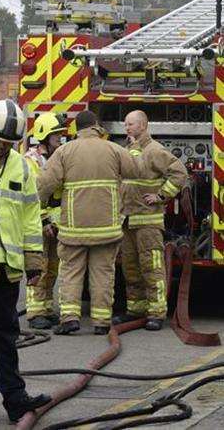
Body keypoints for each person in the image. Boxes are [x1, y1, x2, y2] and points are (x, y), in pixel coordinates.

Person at [0, 100, 52, 424]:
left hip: (7, 269)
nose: (2, 148)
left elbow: (31, 214)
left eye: (8, 143)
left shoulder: (21, 166)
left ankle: (15, 399)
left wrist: (33, 259)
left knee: (6, 338)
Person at [37, 110, 139, 335]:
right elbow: (135, 170)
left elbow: (44, 184)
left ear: (77, 129)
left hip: (74, 228)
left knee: (71, 272)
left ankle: (70, 319)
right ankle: (102, 322)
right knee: (103, 273)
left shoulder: (64, 151)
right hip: (107, 228)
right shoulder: (113, 149)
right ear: (96, 126)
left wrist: (40, 210)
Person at [113, 110, 188, 331]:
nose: (127, 128)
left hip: (148, 221)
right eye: (125, 124)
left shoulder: (154, 150)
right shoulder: (129, 151)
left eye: (131, 124)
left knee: (151, 268)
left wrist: (162, 196)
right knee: (131, 268)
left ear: (144, 126)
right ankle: (135, 309)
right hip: (128, 220)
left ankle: (156, 313)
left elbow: (179, 173)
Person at [24, 112, 67, 330]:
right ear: (45, 136)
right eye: (56, 136)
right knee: (39, 267)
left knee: (52, 268)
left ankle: (47, 308)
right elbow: (33, 196)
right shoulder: (31, 162)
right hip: (39, 224)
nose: (60, 140)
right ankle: (35, 311)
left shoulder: (55, 159)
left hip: (54, 225)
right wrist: (43, 222)